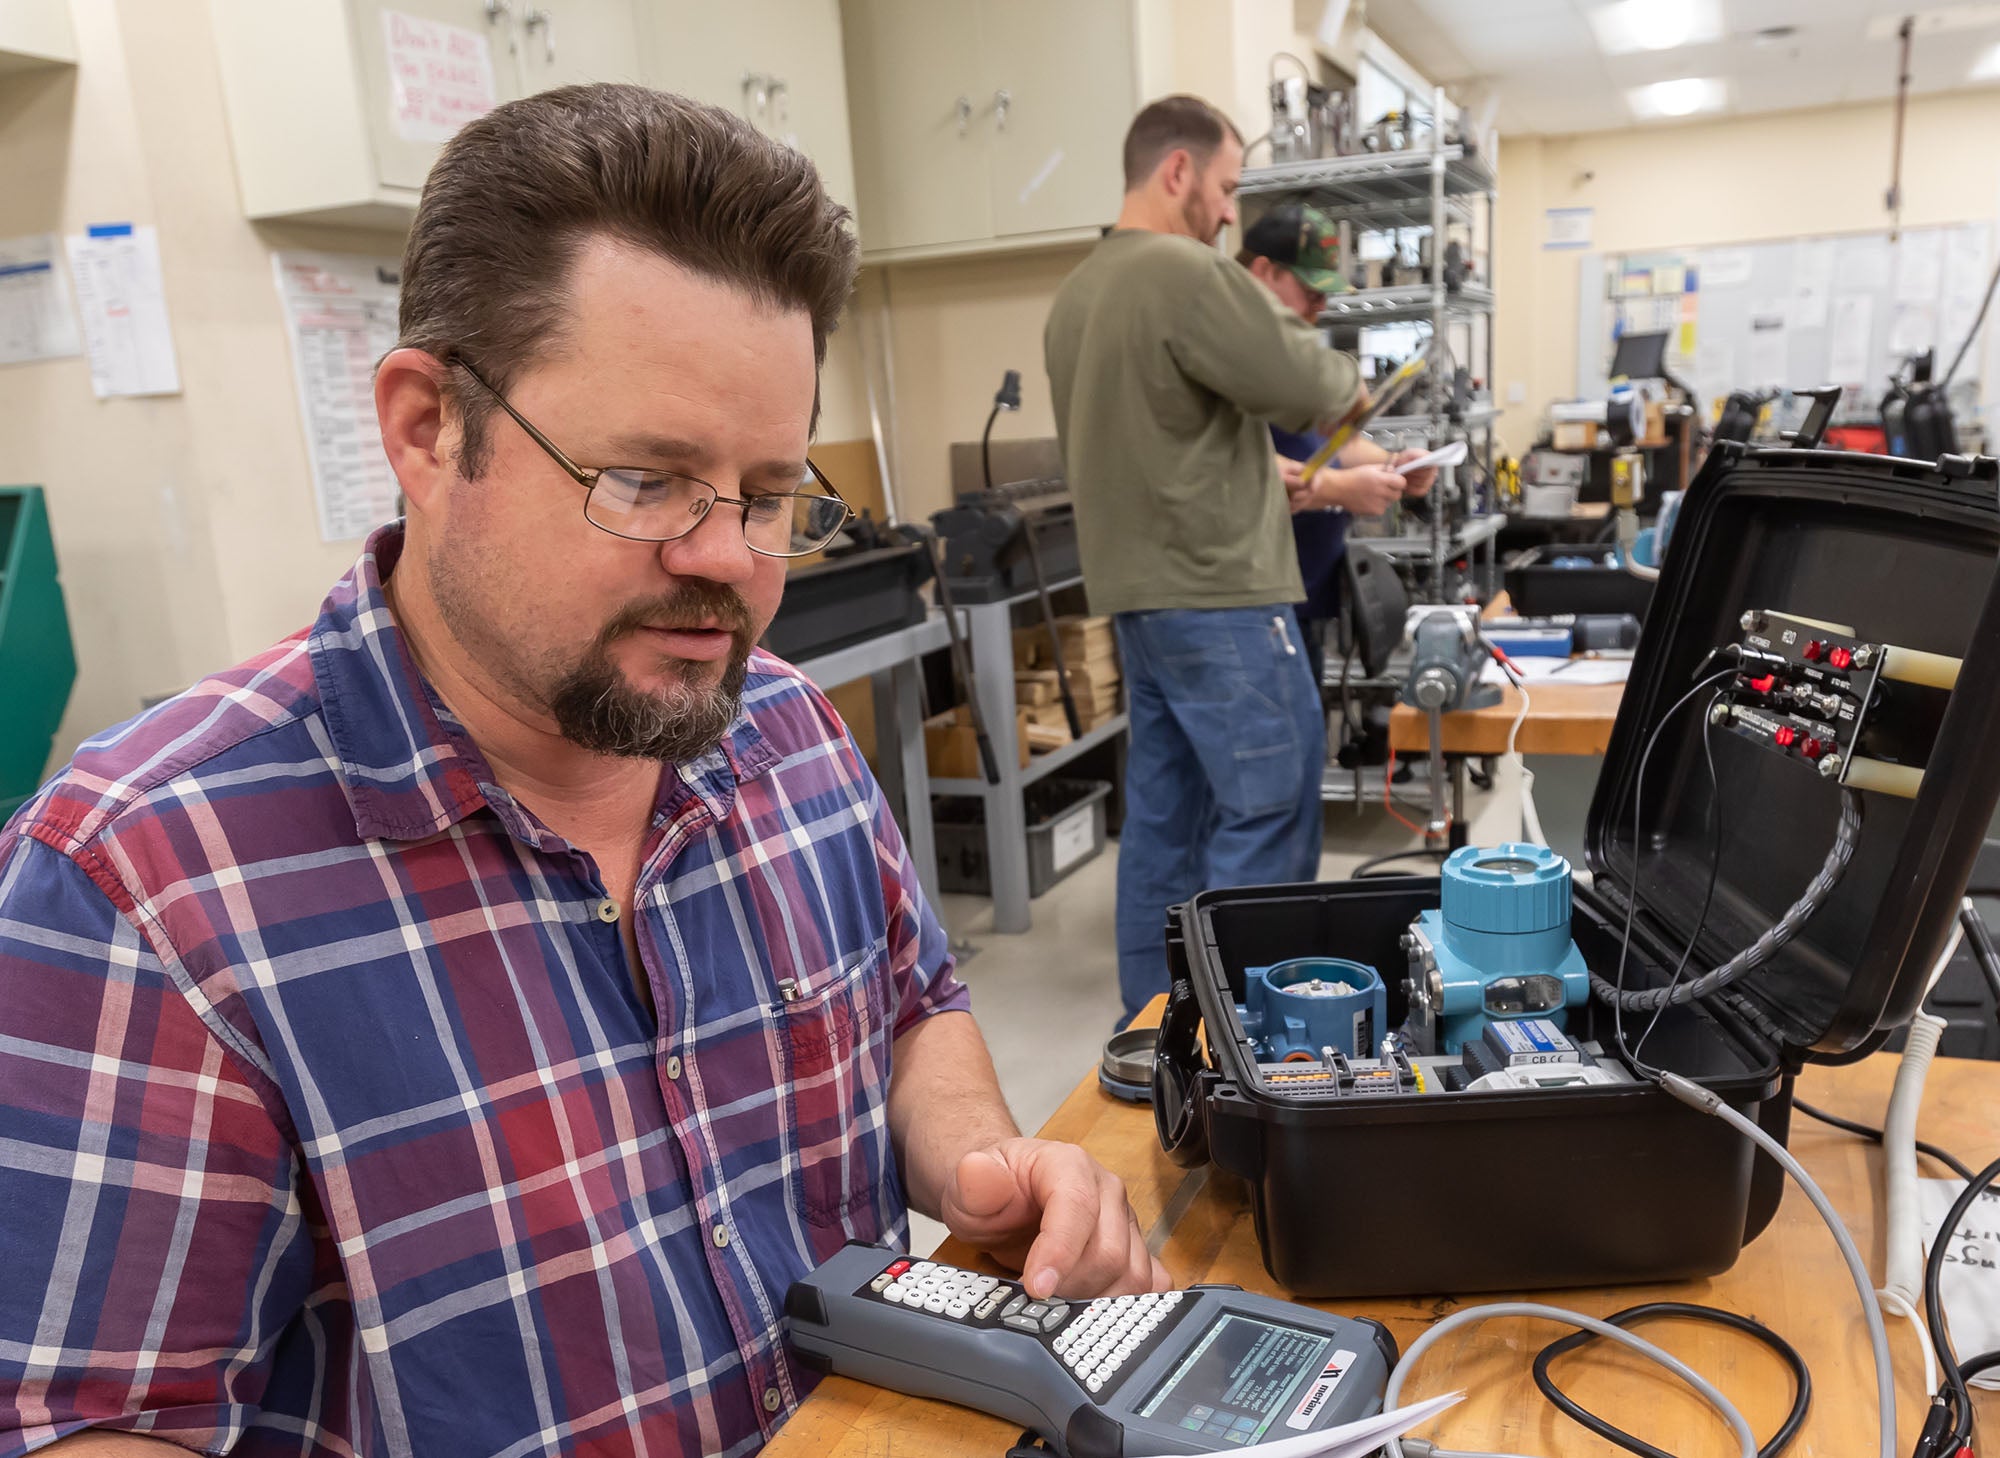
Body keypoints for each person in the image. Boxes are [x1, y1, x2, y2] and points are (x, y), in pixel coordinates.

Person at [0, 86, 1162, 1458]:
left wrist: (977, 1158)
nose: (729, 559)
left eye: (771, 494)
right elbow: (100, 1422)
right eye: (645, 478)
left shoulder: (785, 733)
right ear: (430, 428)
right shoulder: (139, 884)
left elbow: (915, 1003)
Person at [1044, 95, 1371, 1027]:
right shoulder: (1182, 273)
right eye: (1226, 188)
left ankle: (1157, 1026)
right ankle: (1239, 1031)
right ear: (1177, 171)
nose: (1230, 212)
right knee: (1269, 808)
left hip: (1140, 603)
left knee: (1165, 822)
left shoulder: (1076, 295)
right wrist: (1351, 394)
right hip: (1222, 594)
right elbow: (1309, 383)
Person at [1237, 203, 1437, 690]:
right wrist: (1339, 489)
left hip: (1303, 593)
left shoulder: (1288, 349)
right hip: (1252, 606)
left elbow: (1333, 438)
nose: (1318, 307)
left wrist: (1393, 463)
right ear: (1263, 272)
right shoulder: (1233, 350)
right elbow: (1235, 466)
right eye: (1308, 292)